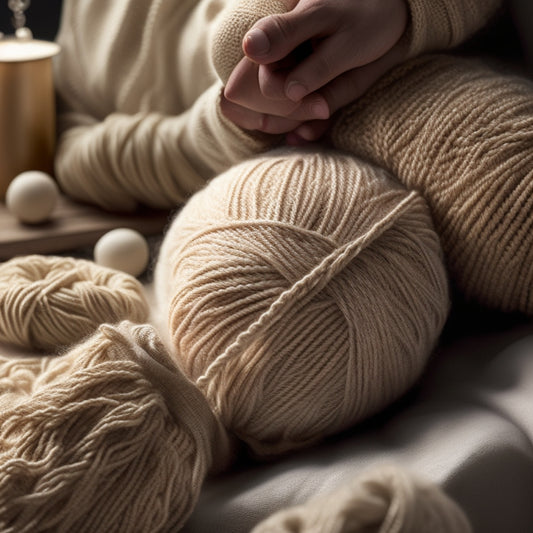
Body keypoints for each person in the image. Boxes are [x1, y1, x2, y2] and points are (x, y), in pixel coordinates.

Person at [53, 0, 503, 213]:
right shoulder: (85, 16)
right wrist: (214, 130)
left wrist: (407, 7)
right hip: (285, 200)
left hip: (437, 116)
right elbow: (67, 147)